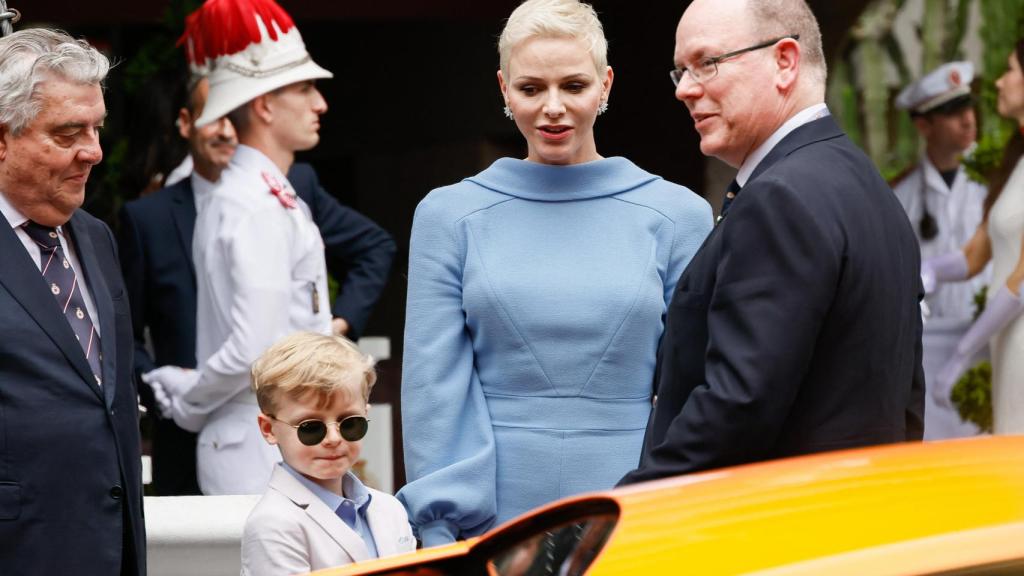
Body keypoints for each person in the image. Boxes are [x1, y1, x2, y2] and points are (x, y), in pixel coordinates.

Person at [399, 0, 713, 547]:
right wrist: (440, 527)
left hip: (640, 506)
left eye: (573, 86)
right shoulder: (448, 216)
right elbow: (433, 387)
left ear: (605, 84)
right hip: (489, 516)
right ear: (504, 90)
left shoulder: (678, 216)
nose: (553, 108)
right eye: (531, 88)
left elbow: (694, 386)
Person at [620, 0, 924, 486]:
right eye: (681, 71)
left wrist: (628, 506)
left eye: (707, 63)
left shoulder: (780, 197)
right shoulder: (866, 185)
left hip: (778, 518)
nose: (684, 89)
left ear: (784, 61)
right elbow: (906, 400)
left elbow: (738, 406)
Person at [119, 72, 396, 495]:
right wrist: (166, 387)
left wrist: (333, 330)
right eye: (216, 116)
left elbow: (371, 248)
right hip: (207, 430)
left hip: (272, 425)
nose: (227, 130)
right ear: (186, 123)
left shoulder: (283, 189)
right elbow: (129, 327)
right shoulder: (158, 215)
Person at [146, 0, 337, 495]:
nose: (319, 103)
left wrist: (191, 396)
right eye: (304, 88)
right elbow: (255, 349)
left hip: (273, 433)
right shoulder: (251, 201)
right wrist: (190, 403)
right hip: (259, 441)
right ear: (264, 106)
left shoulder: (263, 193)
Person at [0, 29, 145, 574]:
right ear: (2, 139)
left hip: (112, 548)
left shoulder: (96, 238)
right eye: (68, 133)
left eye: (96, 128)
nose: (94, 152)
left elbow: (108, 398)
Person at [242, 332, 415, 575]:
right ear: (269, 429)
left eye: (350, 423)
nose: (334, 438)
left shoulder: (390, 509)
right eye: (311, 427)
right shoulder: (273, 524)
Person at [925, 39, 1024, 434]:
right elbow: (974, 256)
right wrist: (929, 269)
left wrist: (962, 352)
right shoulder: (1016, 158)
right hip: (1005, 340)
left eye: (1010, 69)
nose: (999, 82)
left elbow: (1022, 281)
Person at [892, 61, 988, 439]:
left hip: (989, 337)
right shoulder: (900, 196)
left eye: (968, 108)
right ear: (924, 126)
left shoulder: (999, 178)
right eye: (951, 112)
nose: (967, 120)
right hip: (929, 354)